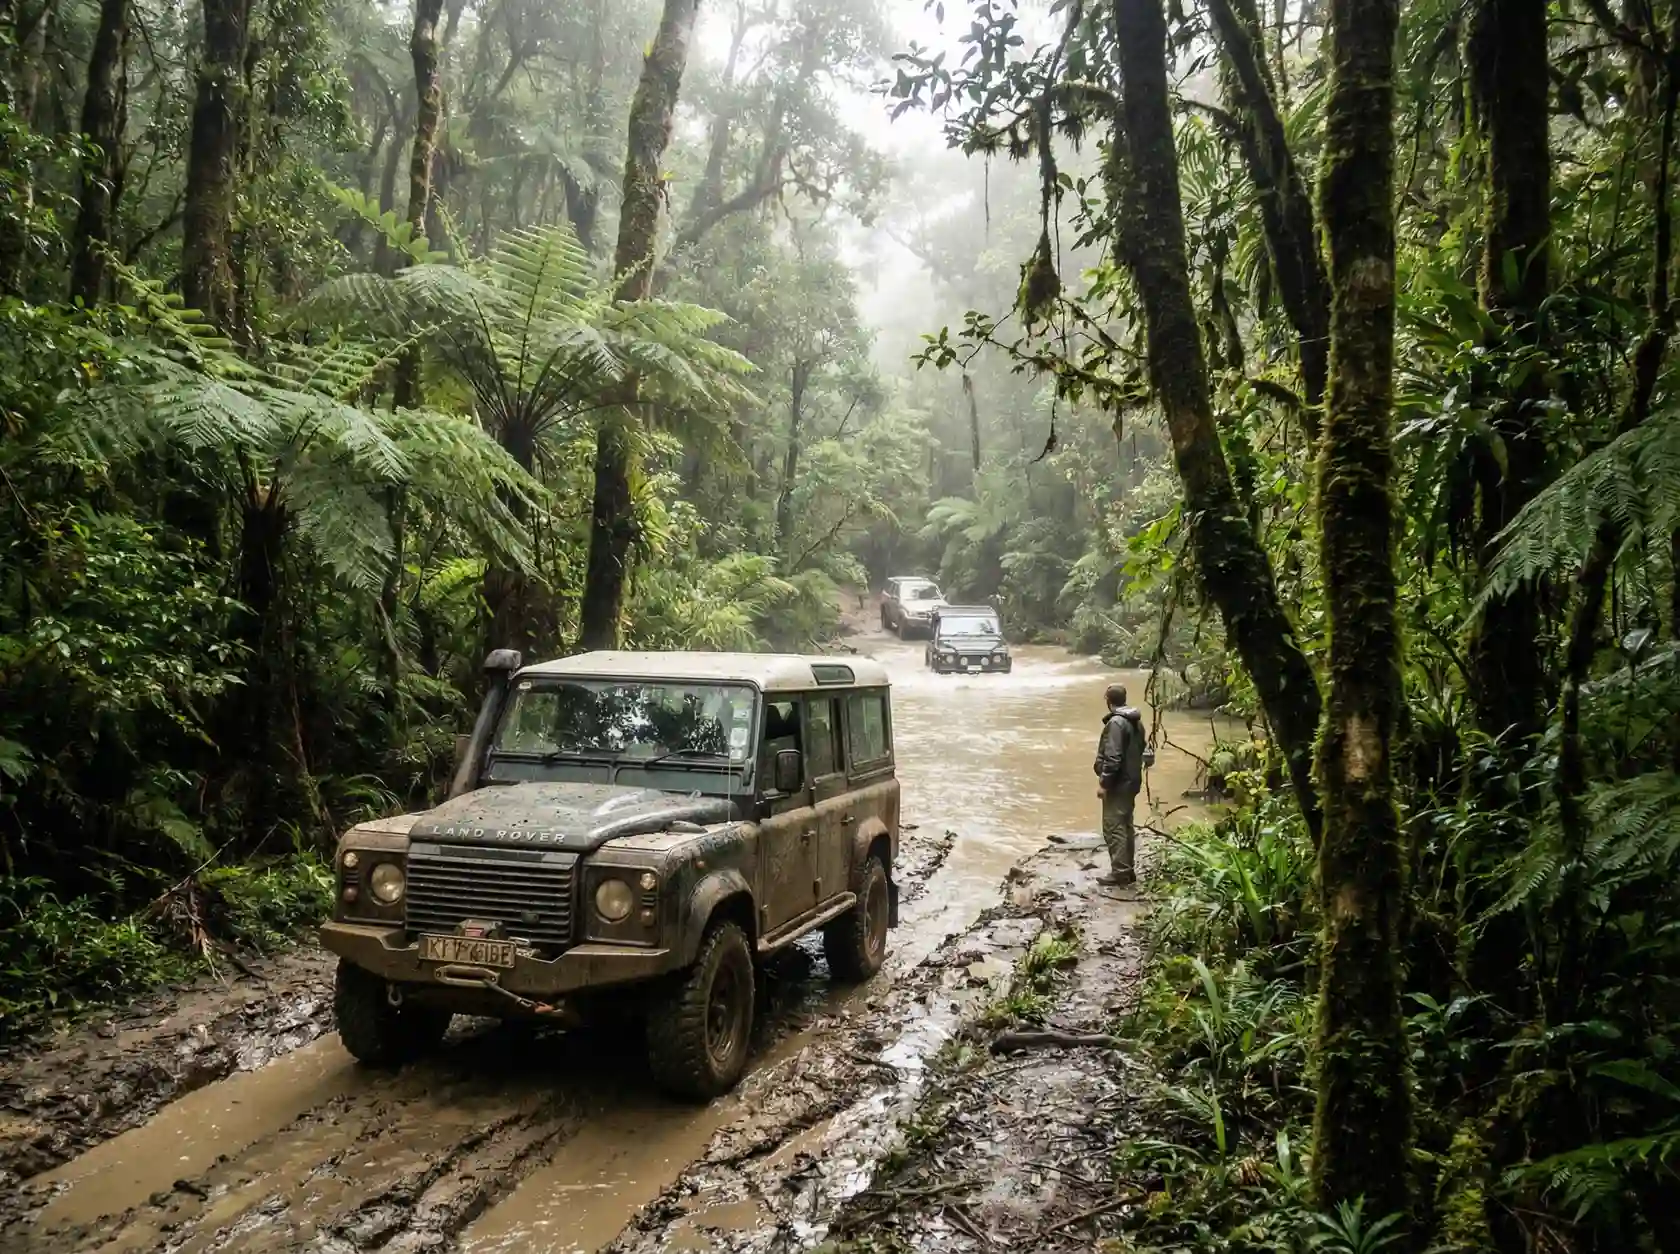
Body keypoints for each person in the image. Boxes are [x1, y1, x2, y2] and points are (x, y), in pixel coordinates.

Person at [1093, 683, 1147, 887]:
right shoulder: (1135, 722)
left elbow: (1113, 757)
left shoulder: (1116, 723)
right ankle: (1127, 870)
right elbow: (1143, 749)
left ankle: (1120, 872)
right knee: (1126, 825)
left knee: (1114, 826)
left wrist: (1105, 784)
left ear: (1108, 700)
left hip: (1118, 783)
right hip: (1132, 781)